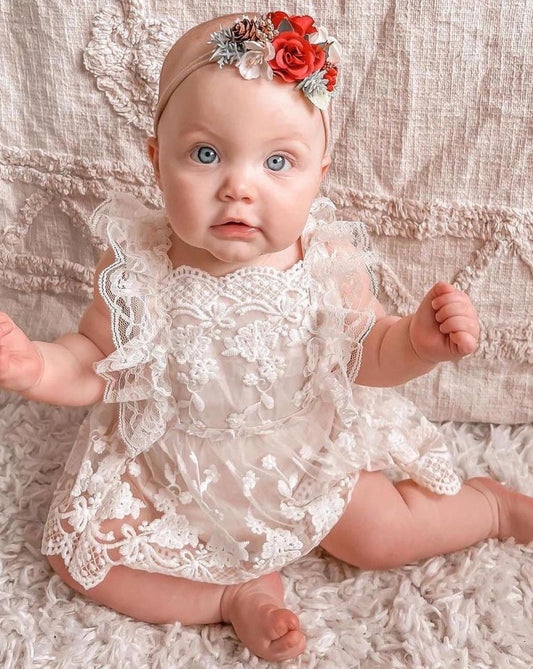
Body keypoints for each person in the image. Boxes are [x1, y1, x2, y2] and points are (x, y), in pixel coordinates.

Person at [0, 11, 532, 663]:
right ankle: (232, 596)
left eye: (277, 161)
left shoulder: (324, 260)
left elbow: (366, 350)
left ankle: (491, 508)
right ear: (155, 159)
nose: (238, 187)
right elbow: (93, 361)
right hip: (171, 465)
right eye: (205, 154)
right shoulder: (136, 262)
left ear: (319, 176)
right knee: (77, 557)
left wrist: (416, 343)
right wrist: (36, 366)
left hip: (300, 454)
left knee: (380, 536)